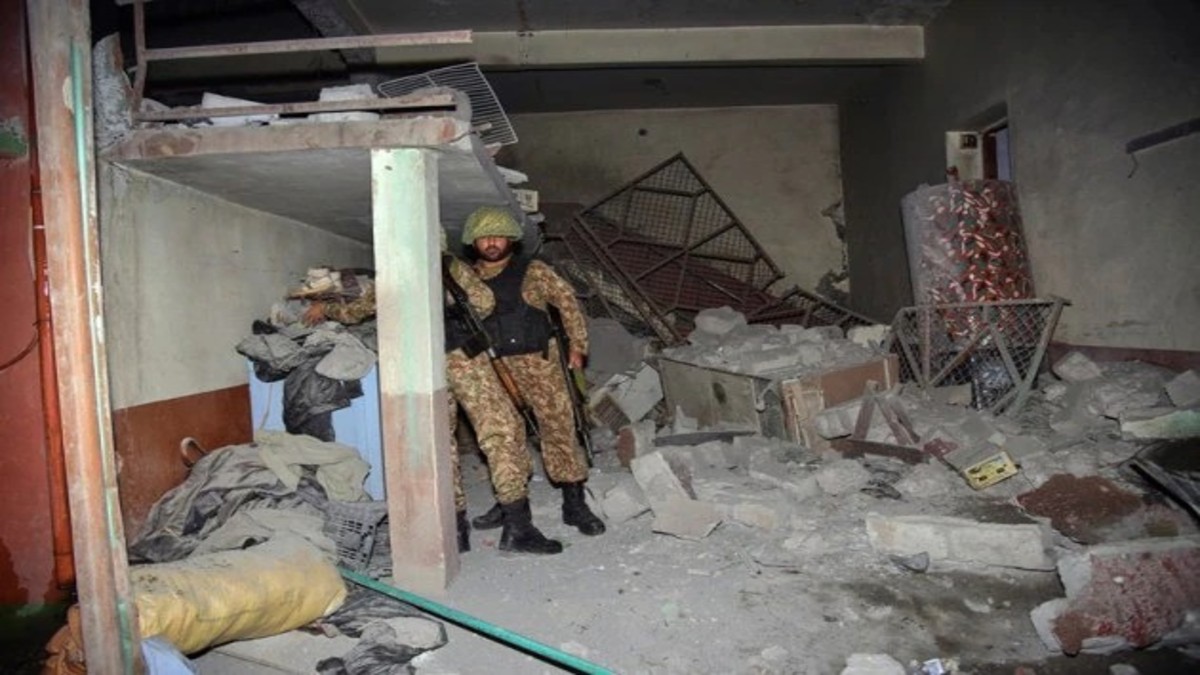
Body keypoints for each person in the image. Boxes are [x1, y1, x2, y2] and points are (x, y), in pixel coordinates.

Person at [305, 231, 562, 555]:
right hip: (463, 358)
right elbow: (484, 302)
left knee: (440, 443)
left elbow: (357, 311)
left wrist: (325, 310)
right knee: (502, 433)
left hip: (419, 364)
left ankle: (455, 533)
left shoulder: (392, 272)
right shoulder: (449, 265)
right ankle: (517, 528)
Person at [461, 206, 606, 538]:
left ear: (510, 238)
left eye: (497, 235)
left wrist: (578, 348)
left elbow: (567, 302)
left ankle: (574, 503)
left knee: (558, 428)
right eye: (484, 237)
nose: (492, 243)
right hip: (493, 369)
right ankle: (509, 498)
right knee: (505, 436)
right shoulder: (467, 280)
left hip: (540, 364)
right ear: (474, 242)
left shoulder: (533, 270)